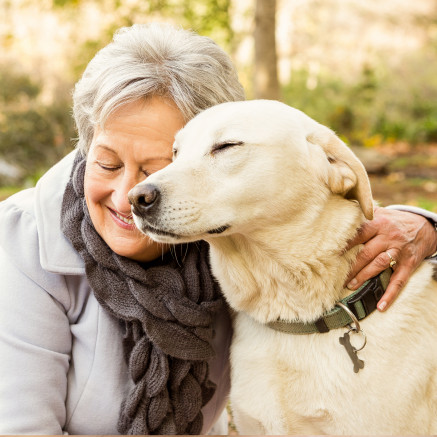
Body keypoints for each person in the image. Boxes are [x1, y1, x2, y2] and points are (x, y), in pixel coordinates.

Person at [0, 22, 436, 435]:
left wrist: (424, 223)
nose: (133, 194)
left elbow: (295, 200)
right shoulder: (26, 240)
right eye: (107, 162)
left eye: (161, 165)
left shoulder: (222, 235)